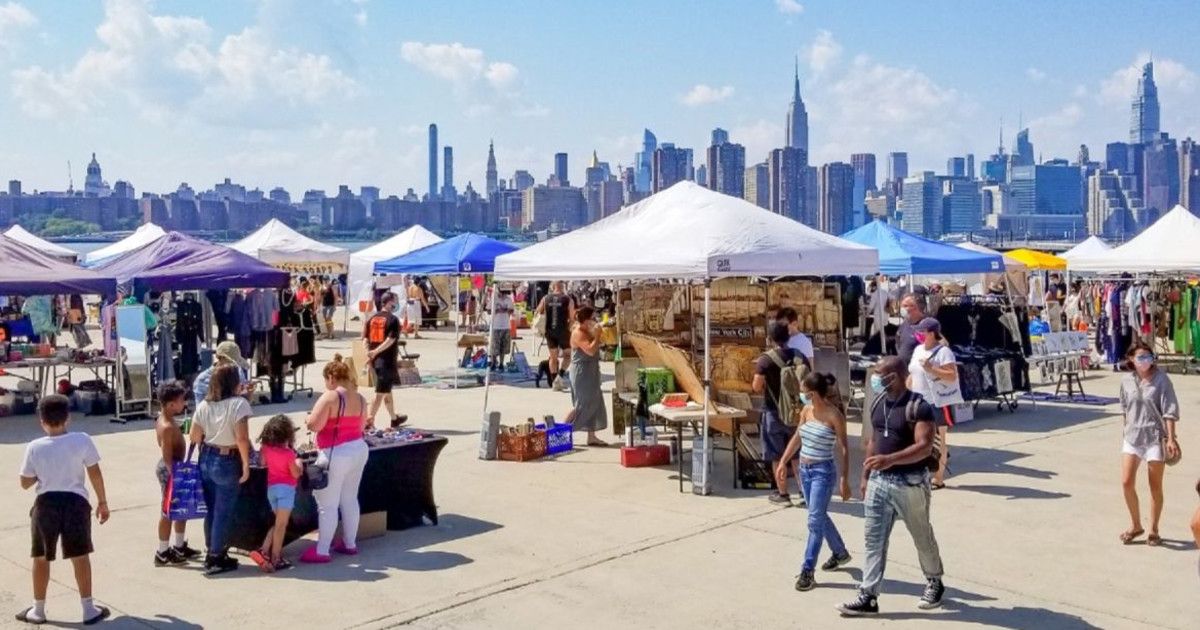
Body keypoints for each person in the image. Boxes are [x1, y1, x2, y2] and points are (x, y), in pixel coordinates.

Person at [838, 357, 946, 616]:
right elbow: (874, 441)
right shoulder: (877, 403)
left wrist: (889, 460)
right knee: (873, 539)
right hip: (879, 482)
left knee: (921, 536)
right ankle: (868, 596)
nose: (875, 379)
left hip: (909, 483)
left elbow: (924, 447)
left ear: (895, 376)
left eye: (879, 375)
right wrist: (866, 474)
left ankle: (934, 581)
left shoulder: (919, 407)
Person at [17, 395, 110, 625]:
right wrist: (102, 501)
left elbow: (25, 482)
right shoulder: (82, 440)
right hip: (75, 503)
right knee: (80, 556)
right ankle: (88, 608)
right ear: (68, 418)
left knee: (40, 557)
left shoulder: (35, 447)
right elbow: (94, 472)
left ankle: (38, 609)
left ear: (42, 421)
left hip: (45, 504)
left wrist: (42, 472)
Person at [777, 372, 852, 592]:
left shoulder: (834, 415)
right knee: (816, 514)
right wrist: (783, 461)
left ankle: (807, 569)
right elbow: (797, 437)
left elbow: (844, 448)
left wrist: (844, 479)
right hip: (805, 471)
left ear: (813, 393)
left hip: (822, 472)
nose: (801, 395)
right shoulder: (806, 411)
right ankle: (840, 552)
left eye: (803, 391)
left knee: (814, 521)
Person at [301, 355, 370, 563]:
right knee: (350, 498)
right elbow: (361, 426)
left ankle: (322, 550)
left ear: (331, 377)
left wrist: (307, 418)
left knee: (327, 504)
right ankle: (350, 544)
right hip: (358, 449)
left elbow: (314, 425)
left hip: (335, 452)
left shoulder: (330, 397)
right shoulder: (359, 398)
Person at [188, 364, 252, 576]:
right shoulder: (239, 405)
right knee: (223, 510)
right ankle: (216, 555)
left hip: (206, 457)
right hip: (228, 459)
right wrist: (245, 464)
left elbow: (195, 436)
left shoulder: (204, 406)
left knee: (212, 508)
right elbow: (242, 437)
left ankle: (212, 550)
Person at [1117, 342, 1181, 546]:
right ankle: (1136, 525)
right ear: (1131, 360)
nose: (1145, 360)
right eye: (1140, 357)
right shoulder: (1126, 381)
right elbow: (1124, 408)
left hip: (1155, 437)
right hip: (1132, 436)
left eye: (1148, 356)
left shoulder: (1162, 380)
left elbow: (1169, 411)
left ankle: (1153, 529)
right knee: (1126, 482)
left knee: (1155, 486)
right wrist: (1124, 430)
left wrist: (1171, 438)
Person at [753, 322, 805, 506]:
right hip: (797, 414)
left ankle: (783, 494)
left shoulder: (765, 360)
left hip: (773, 413)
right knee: (797, 455)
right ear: (789, 337)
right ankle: (803, 493)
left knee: (776, 456)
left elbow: (756, 386)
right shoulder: (800, 357)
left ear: (770, 338)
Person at [906, 318, 958, 489]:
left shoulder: (943, 352)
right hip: (917, 401)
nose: (918, 334)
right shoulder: (917, 350)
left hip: (937, 402)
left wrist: (931, 369)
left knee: (939, 440)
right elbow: (912, 374)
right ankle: (921, 473)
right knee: (918, 439)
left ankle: (938, 477)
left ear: (931, 333)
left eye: (921, 331)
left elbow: (952, 375)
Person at [154, 381, 200, 566]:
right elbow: (166, 457)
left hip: (179, 467)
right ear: (171, 404)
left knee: (181, 510)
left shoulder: (168, 419)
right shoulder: (166, 427)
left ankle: (179, 546)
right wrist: (176, 478)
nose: (185, 404)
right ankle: (162, 551)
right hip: (171, 471)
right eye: (182, 401)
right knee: (168, 511)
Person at [250, 415, 302, 572]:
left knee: (278, 522)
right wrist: (299, 463)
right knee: (281, 525)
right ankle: (276, 558)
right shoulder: (289, 454)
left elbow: (262, 463)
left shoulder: (265, 449)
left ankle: (264, 550)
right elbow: (295, 473)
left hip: (271, 489)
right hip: (286, 490)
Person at [567, 306, 608, 447]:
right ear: (586, 320)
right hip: (582, 373)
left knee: (595, 402)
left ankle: (592, 436)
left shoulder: (586, 330)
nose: (594, 321)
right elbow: (590, 350)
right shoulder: (578, 332)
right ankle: (564, 431)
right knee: (582, 405)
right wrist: (597, 336)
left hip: (591, 371)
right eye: (592, 318)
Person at [363, 292, 404, 428]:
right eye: (396, 301)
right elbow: (390, 340)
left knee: (387, 390)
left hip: (376, 361)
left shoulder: (372, 319)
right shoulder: (393, 320)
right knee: (380, 393)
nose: (397, 303)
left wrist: (369, 353)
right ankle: (369, 421)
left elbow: (365, 339)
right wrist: (374, 352)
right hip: (386, 361)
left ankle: (394, 418)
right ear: (390, 302)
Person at [537, 281, 576, 391]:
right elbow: (572, 318)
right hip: (563, 331)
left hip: (550, 331)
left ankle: (554, 381)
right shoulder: (568, 299)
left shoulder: (545, 298)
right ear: (563, 286)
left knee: (553, 357)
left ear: (553, 287)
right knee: (567, 356)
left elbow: (538, 312)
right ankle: (560, 376)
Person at [895, 293, 927, 364]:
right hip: (904, 369)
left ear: (917, 307)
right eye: (903, 306)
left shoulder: (926, 324)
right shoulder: (906, 322)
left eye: (905, 306)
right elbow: (898, 339)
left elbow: (943, 344)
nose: (902, 308)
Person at [489, 286, 514, 371]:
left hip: (506, 326)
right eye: (501, 293)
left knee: (503, 346)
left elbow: (511, 310)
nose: (503, 295)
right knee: (494, 346)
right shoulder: (494, 299)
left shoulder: (508, 299)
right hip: (496, 326)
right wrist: (496, 310)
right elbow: (488, 310)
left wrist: (506, 310)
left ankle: (501, 363)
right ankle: (493, 363)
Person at [320, 276, 340, 340]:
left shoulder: (332, 287)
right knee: (326, 320)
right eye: (324, 280)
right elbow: (321, 297)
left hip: (330, 305)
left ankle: (331, 333)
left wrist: (335, 306)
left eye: (326, 280)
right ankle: (329, 333)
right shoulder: (322, 287)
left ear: (329, 280)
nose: (325, 281)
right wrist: (320, 305)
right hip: (324, 305)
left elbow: (336, 297)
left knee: (329, 318)